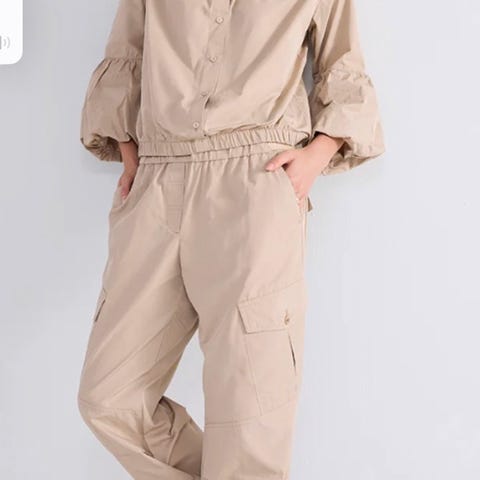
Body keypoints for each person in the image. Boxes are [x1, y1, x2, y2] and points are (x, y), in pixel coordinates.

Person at [76, 0, 385, 478]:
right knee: (109, 398)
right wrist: (130, 150)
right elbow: (128, 51)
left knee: (249, 413)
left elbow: (341, 62)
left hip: (255, 181)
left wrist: (315, 157)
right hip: (157, 180)